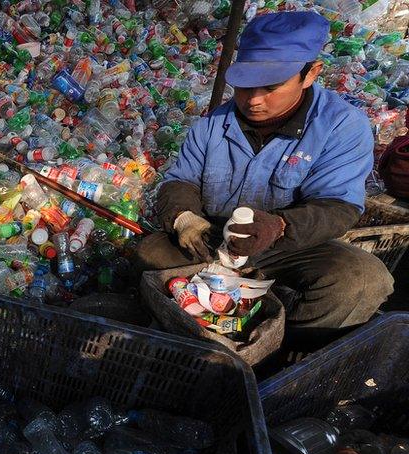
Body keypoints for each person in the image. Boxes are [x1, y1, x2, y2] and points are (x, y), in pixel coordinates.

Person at [136, 11, 394, 337]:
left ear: (311, 73)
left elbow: (338, 207)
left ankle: (280, 349)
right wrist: (185, 217)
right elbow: (180, 180)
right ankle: (215, 329)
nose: (254, 100)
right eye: (245, 86)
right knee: (150, 254)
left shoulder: (342, 126)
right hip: (217, 240)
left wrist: (280, 226)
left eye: (271, 87)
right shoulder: (214, 124)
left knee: (364, 280)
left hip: (294, 248)